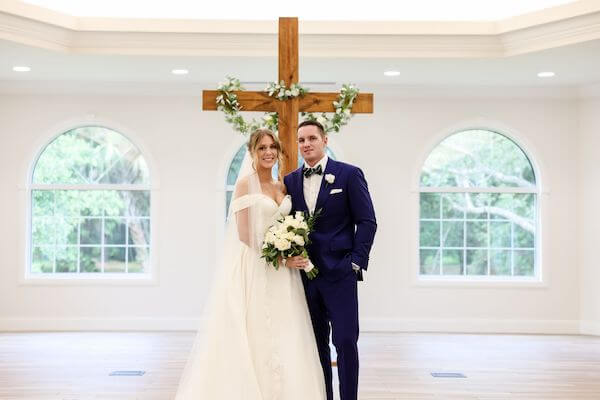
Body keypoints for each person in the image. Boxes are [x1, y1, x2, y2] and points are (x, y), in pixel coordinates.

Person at [175, 128, 326, 399]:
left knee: (288, 328)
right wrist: (280, 255)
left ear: (278, 151)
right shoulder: (245, 184)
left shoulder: (282, 185)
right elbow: (244, 235)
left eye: (272, 147)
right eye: (262, 148)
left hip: (285, 271)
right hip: (258, 265)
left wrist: (290, 247)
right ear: (252, 153)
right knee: (258, 329)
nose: (268, 152)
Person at [284, 120, 377, 400]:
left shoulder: (348, 175)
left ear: (325, 140)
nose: (306, 144)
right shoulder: (289, 181)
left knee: (346, 342)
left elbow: (367, 221)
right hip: (305, 277)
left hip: (341, 274)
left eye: (312, 138)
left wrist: (355, 262)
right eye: (301, 140)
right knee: (316, 345)